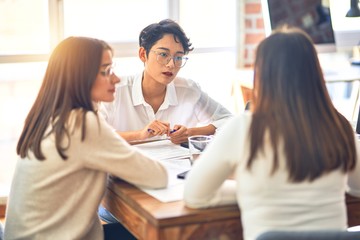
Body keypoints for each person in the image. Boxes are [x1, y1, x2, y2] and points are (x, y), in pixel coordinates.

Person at [183, 27, 360, 240]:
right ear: (315, 73)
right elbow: (357, 188)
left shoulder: (243, 128)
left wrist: (250, 189)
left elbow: (195, 195)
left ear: (262, 76)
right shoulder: (338, 126)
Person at [4, 36, 168, 240]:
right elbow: (157, 175)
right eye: (105, 71)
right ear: (79, 76)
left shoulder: (50, 115)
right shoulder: (81, 123)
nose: (116, 78)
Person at [100, 19, 233, 144]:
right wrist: (140, 135)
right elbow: (93, 135)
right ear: (142, 54)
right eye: (163, 54)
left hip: (179, 166)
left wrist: (191, 132)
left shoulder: (188, 90)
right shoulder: (115, 90)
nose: (171, 64)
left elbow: (229, 120)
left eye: (178, 57)